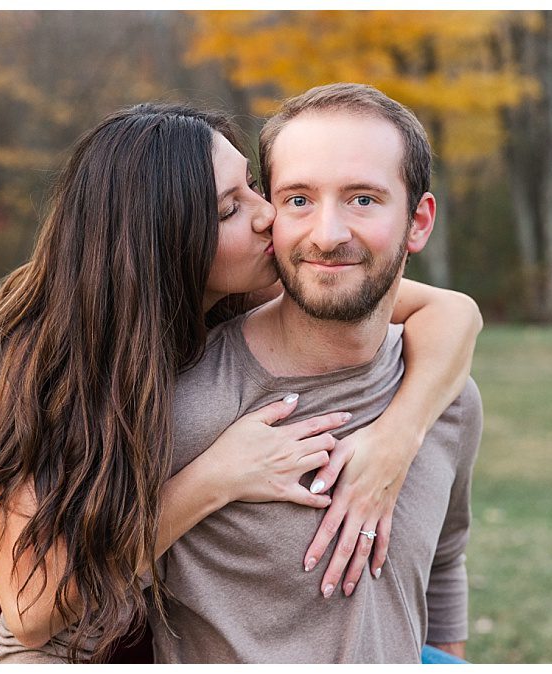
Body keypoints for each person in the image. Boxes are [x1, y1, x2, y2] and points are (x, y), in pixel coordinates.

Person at [0, 101, 481, 663]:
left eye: (252, 187)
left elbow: (454, 313)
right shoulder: (54, 372)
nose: (269, 215)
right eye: (228, 210)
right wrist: (217, 476)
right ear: (168, 244)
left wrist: (399, 436)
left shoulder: (270, 281)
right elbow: (32, 614)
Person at [144, 84, 483, 662]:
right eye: (298, 199)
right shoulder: (184, 403)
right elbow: (51, 618)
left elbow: (444, 558)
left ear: (418, 222)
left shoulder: (447, 395)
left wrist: (402, 432)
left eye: (363, 200)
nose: (327, 235)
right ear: (268, 214)